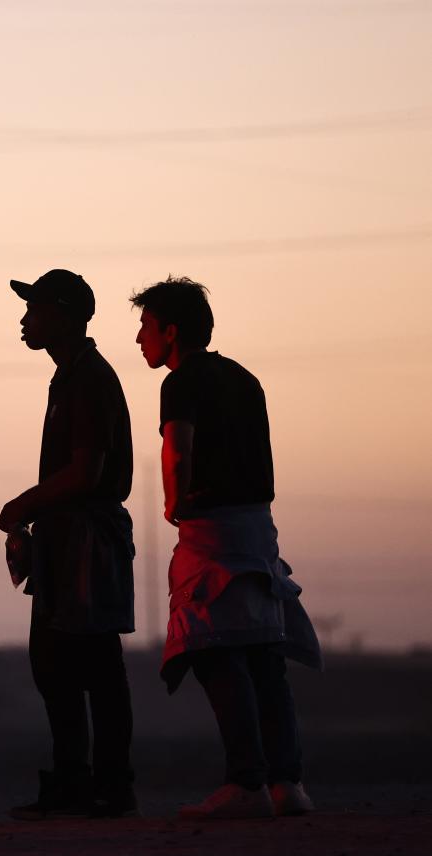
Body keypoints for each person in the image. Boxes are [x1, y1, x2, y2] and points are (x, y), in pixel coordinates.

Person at [131, 276, 321, 820]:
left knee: (214, 649)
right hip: (259, 529)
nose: (140, 339)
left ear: (170, 331)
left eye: (145, 328)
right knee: (263, 656)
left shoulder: (182, 380)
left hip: (213, 531)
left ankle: (246, 782)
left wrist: (174, 502)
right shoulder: (245, 379)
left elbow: (178, 446)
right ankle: (288, 783)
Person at [0, 269, 138, 820]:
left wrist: (23, 506)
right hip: (67, 537)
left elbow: (86, 471)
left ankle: (106, 787)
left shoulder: (88, 379)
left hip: (85, 538)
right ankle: (80, 784)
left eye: (33, 308)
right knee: (59, 666)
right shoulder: (72, 376)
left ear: (62, 313)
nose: (24, 319)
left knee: (92, 666)